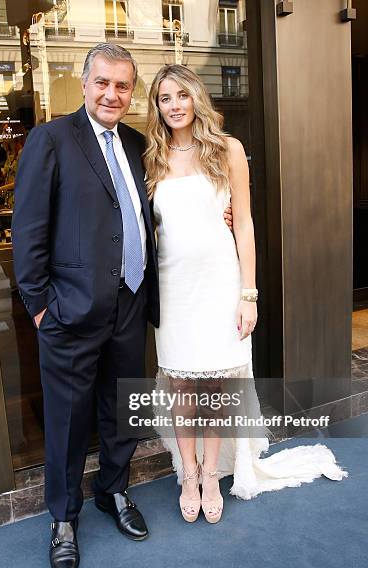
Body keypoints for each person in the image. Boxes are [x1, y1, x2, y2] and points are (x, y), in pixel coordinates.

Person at [144, 64, 348, 525]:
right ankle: (189, 474)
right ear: (156, 107)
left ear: (196, 97)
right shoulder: (152, 157)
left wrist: (249, 293)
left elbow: (247, 225)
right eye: (163, 98)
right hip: (173, 290)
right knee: (180, 385)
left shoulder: (227, 150)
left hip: (220, 285)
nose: (174, 105)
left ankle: (213, 475)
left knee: (215, 384)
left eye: (181, 95)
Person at [12, 43, 161, 568]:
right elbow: (26, 233)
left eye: (122, 86)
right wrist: (39, 308)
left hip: (130, 302)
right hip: (69, 313)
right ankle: (63, 520)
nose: (112, 94)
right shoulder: (50, 140)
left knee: (121, 410)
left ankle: (113, 492)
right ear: (84, 83)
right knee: (68, 422)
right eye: (103, 82)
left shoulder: (139, 144)